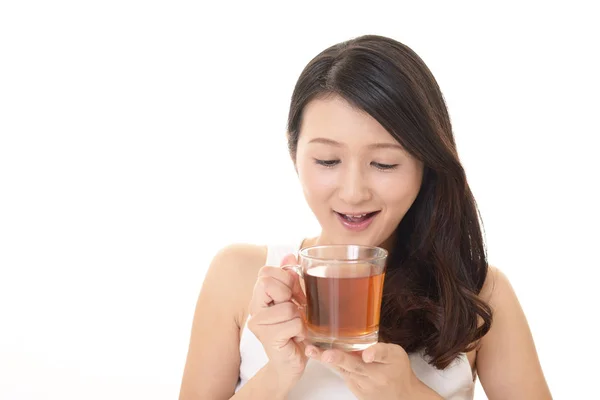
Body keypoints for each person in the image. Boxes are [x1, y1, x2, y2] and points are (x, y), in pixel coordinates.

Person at [178, 34, 552, 399]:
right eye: (328, 160)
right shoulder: (240, 276)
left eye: (384, 163)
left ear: (426, 164)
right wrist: (277, 374)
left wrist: (408, 394)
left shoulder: (478, 292)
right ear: (294, 154)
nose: (354, 192)